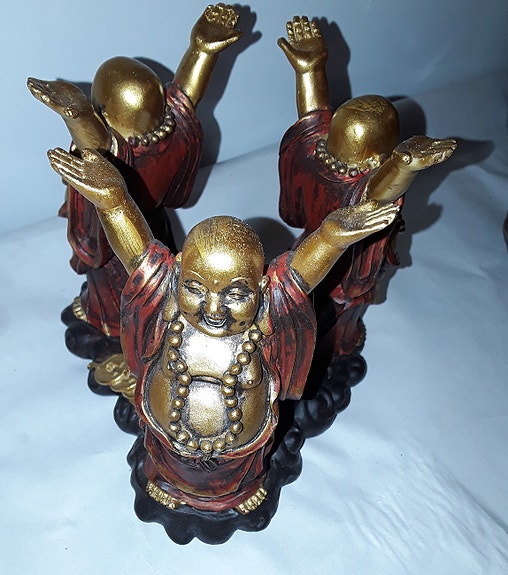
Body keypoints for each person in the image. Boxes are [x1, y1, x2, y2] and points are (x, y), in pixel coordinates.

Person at [47, 146, 399, 513]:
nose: (214, 309)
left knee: (239, 477)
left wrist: (330, 238)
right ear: (177, 275)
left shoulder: (270, 311)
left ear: (261, 290)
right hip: (168, 440)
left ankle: (239, 492)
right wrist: (114, 203)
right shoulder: (165, 294)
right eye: (195, 288)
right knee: (165, 463)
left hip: (239, 453)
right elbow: (138, 254)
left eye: (236, 294)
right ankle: (167, 482)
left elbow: (299, 275)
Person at [27, 3, 242, 362]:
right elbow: (185, 97)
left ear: (105, 114)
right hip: (146, 230)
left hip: (121, 236)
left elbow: (97, 148)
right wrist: (202, 51)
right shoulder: (170, 137)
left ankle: (124, 335)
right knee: (138, 285)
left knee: (127, 292)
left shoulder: (122, 156)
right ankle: (114, 322)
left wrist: (78, 117)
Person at [278, 16, 456, 356]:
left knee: (327, 311)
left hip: (319, 255)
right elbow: (377, 196)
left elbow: (312, 118)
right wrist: (403, 166)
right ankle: (328, 349)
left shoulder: (316, 155)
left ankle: (331, 347)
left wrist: (310, 72)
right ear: (378, 157)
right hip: (339, 265)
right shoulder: (353, 179)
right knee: (330, 313)